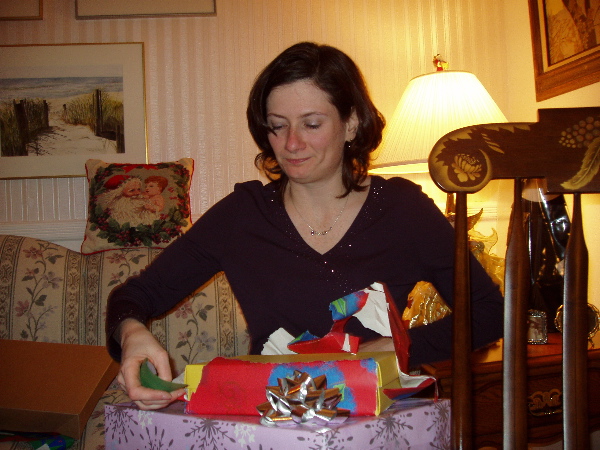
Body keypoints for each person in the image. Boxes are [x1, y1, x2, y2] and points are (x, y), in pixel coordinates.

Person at [106, 41, 504, 410]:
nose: (290, 143)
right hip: (276, 423)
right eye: (277, 125)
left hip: (374, 419)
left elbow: (488, 312)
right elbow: (134, 297)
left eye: (311, 124)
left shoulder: (404, 210)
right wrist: (131, 334)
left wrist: (398, 346)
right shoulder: (242, 217)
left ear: (351, 124)